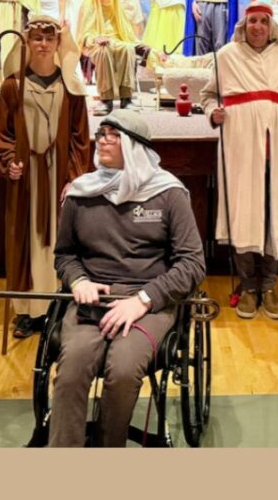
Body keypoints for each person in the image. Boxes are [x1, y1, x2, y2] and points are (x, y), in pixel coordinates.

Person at [50, 110, 205, 447]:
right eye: (101, 132)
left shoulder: (168, 194)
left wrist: (143, 300)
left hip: (149, 301)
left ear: (136, 147)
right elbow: (65, 255)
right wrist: (78, 281)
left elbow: (192, 263)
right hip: (93, 299)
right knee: (72, 370)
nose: (103, 139)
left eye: (114, 134)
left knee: (122, 371)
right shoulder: (80, 193)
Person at [200, 2, 278, 321]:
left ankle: (269, 286)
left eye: (263, 21)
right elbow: (208, 95)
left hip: (277, 150)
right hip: (239, 149)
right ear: (243, 25)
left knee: (272, 217)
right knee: (244, 216)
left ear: (271, 26)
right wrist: (213, 112)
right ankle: (248, 287)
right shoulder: (227, 56)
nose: (257, 26)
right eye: (252, 21)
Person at [0, 14, 94, 337]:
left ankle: (57, 310)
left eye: (49, 38)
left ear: (58, 43)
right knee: (26, 240)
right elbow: (4, 134)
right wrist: (9, 161)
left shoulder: (71, 88)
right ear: (26, 42)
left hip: (58, 177)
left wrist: (75, 176)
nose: (43, 44)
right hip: (27, 179)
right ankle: (27, 310)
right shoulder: (13, 86)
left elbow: (80, 137)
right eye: (37, 38)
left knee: (58, 240)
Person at [77, 0, 148, 115]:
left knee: (128, 49)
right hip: (95, 43)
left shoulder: (116, 5)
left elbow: (127, 32)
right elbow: (85, 33)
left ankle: (126, 98)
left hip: (117, 41)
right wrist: (96, 38)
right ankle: (106, 99)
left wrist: (136, 44)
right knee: (104, 50)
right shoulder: (89, 4)